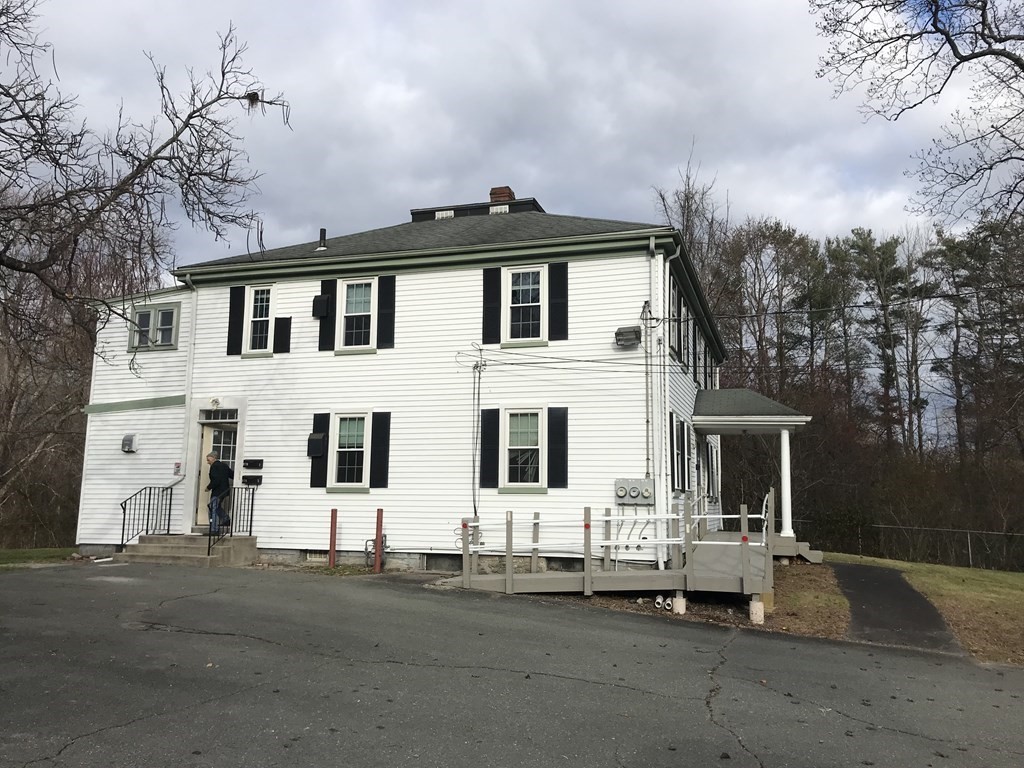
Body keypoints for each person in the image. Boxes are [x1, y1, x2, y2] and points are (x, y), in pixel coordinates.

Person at [205, 452, 234, 533]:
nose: (208, 462)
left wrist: (208, 487)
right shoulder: (224, 465)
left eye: (208, 459)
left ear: (213, 457)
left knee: (212, 508)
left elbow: (216, 480)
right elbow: (232, 475)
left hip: (217, 491)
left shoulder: (214, 466)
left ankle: (214, 529)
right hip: (224, 491)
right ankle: (226, 519)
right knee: (216, 507)